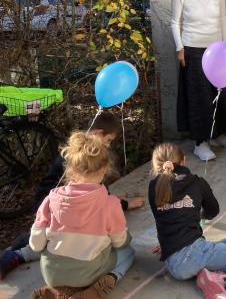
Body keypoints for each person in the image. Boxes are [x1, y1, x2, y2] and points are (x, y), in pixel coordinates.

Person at [0, 112, 143, 281]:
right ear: (98, 134)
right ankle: (110, 279)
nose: (109, 145)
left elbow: (96, 194)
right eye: (109, 140)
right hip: (54, 208)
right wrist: (123, 205)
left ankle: (15, 253)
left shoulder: (77, 157)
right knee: (117, 248)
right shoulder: (89, 166)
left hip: (51, 216)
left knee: (46, 240)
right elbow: (103, 203)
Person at [149, 143, 226, 299]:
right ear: (184, 161)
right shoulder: (196, 182)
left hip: (172, 259)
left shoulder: (153, 187)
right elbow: (213, 210)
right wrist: (199, 214)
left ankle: (212, 276)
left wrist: (167, 244)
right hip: (192, 253)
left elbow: (162, 219)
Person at [30, 132, 135, 298]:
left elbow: (35, 244)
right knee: (128, 253)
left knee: (65, 264)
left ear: (70, 169)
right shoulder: (110, 204)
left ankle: (61, 291)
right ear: (105, 169)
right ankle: (97, 287)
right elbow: (119, 241)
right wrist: (125, 239)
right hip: (87, 273)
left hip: (51, 273)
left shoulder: (50, 199)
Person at [171, 0, 226, 162]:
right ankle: (200, 143)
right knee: (199, 98)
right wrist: (180, 48)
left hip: (217, 50)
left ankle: (219, 134)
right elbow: (175, 22)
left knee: (220, 93)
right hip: (193, 50)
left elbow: (224, 18)